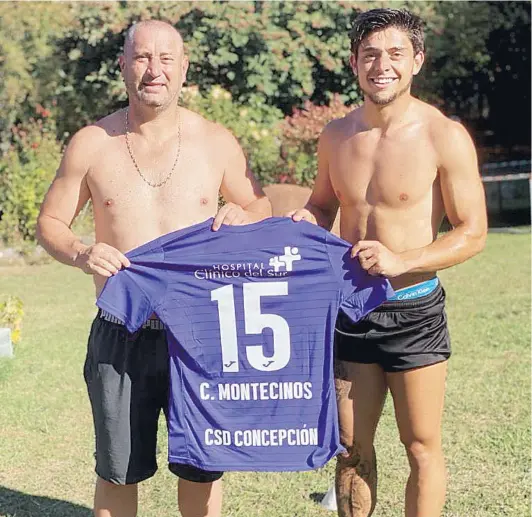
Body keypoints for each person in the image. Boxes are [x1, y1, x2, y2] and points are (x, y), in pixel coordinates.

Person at [36, 20, 271, 517]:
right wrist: (81, 252)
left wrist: (242, 216)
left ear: (184, 68)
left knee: (202, 469)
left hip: (202, 334)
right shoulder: (92, 142)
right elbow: (50, 222)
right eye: (142, 57)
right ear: (123, 65)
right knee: (117, 470)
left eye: (167, 59)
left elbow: (260, 208)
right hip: (121, 330)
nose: (154, 70)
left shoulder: (215, 141)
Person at [289, 8, 487, 517]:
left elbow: (473, 233)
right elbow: (322, 204)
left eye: (396, 54)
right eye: (371, 54)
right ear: (354, 63)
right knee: (351, 446)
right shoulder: (336, 136)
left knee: (421, 445)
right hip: (351, 312)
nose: (383, 65)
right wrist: (305, 219)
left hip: (414, 312)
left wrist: (402, 260)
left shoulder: (444, 135)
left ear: (416, 60)